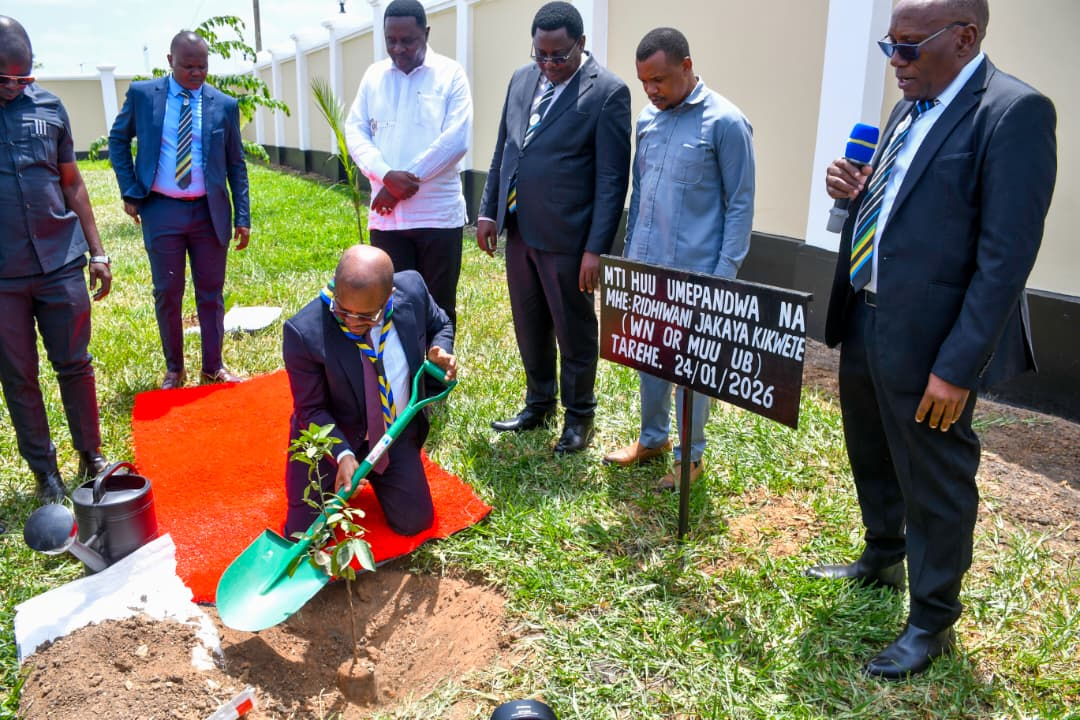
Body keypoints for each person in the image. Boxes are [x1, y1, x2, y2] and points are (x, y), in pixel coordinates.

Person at [811, 0, 1056, 679]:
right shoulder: (908, 107)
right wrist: (853, 193)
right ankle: (882, 556)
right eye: (889, 45)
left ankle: (932, 619)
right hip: (867, 313)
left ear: (965, 38)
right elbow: (905, 209)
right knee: (871, 447)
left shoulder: (1012, 113)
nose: (896, 61)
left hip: (934, 340)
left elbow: (1005, 260)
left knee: (935, 477)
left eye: (909, 46)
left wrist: (957, 368)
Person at [603, 28, 755, 490]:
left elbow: (740, 204)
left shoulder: (726, 123)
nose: (651, 90)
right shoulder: (648, 120)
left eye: (660, 80)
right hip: (647, 269)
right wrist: (630, 260)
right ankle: (653, 439)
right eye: (644, 81)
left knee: (690, 369)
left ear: (687, 66)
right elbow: (640, 193)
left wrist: (724, 275)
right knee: (650, 357)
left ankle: (691, 457)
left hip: (697, 273)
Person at [477, 1, 631, 454]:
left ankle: (579, 416)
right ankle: (538, 403)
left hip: (569, 239)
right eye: (540, 54)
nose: (548, 64)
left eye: (558, 55)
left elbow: (611, 181)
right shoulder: (522, 79)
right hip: (520, 229)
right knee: (529, 323)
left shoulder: (609, 93)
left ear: (581, 43)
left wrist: (595, 249)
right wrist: (488, 210)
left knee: (573, 329)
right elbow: (505, 148)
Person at [0, 16, 112, 503]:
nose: (13, 87)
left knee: (75, 364)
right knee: (18, 377)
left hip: (59, 261)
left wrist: (98, 251)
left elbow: (72, 182)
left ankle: (91, 455)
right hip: (3, 277)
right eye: (3, 79)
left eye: (22, 77)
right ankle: (45, 472)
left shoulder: (50, 106)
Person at [282, 245, 457, 537]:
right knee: (305, 534)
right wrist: (341, 454)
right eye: (342, 311)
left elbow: (441, 323)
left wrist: (440, 348)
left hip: (392, 434)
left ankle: (380, 474)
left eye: (364, 316)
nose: (351, 322)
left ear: (389, 297)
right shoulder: (303, 332)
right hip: (332, 438)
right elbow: (310, 409)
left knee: (415, 522)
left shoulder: (412, 291)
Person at [108, 31, 250, 390]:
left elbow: (236, 164)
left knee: (211, 292)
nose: (196, 73)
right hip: (162, 210)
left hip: (208, 213)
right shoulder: (143, 96)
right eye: (188, 66)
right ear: (170, 61)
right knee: (168, 292)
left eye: (202, 66)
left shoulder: (224, 105)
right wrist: (130, 189)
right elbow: (118, 139)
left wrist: (243, 216)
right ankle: (175, 370)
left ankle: (213, 366)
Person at [345, 0, 472, 329]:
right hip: (388, 220)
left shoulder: (450, 74)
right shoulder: (374, 76)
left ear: (426, 34)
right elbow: (355, 131)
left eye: (408, 40)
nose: (398, 49)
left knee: (439, 307)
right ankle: (401, 365)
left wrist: (400, 185)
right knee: (391, 305)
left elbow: (455, 140)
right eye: (391, 40)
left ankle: (436, 364)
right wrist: (386, 176)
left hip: (438, 217)